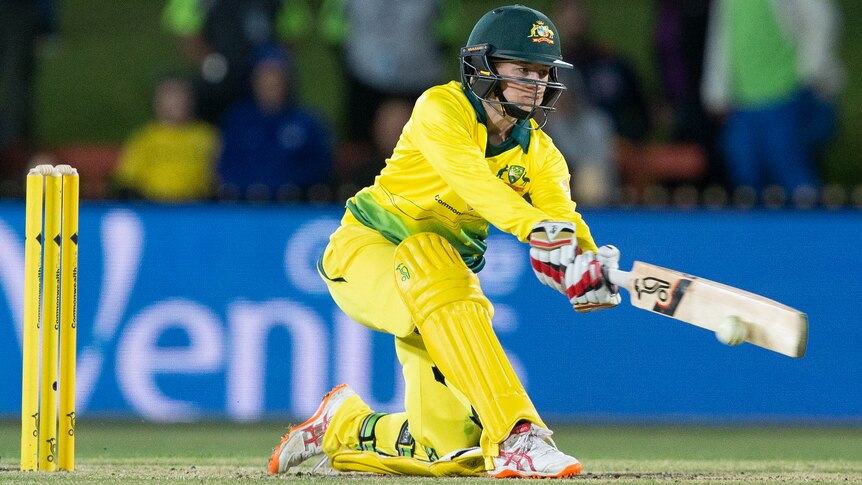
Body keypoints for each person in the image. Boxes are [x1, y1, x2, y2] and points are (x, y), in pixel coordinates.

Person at [268, 5, 621, 479]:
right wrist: (537, 232)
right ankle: (518, 435)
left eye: (542, 72)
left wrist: (584, 265)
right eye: (522, 70)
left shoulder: (543, 156)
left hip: (440, 295)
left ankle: (344, 427)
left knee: (453, 452)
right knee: (431, 255)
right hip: (367, 253)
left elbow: (563, 221)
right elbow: (475, 182)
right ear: (485, 67)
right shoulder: (441, 107)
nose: (535, 84)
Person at [701, 0, 845, 198]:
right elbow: (721, 38)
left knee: (793, 175)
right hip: (742, 102)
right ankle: (755, 229)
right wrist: (717, 93)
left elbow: (821, 19)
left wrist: (812, 71)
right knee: (746, 178)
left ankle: (810, 227)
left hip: (786, 94)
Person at [161, 0, 311, 125]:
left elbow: (295, 26)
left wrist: (275, 64)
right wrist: (208, 61)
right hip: (219, 78)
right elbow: (183, 25)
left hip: (261, 77)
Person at [216, 44, 331, 201]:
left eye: (276, 75)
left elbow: (321, 167)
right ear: (253, 81)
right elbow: (225, 165)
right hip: (244, 206)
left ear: (287, 80)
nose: (271, 81)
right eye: (264, 75)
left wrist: (288, 184)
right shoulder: (238, 120)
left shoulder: (307, 122)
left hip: (295, 206)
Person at [111, 74, 220, 201]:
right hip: (152, 207)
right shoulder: (145, 138)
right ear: (157, 103)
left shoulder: (207, 137)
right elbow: (127, 180)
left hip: (197, 207)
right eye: (169, 98)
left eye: (180, 97)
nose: (176, 103)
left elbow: (218, 178)